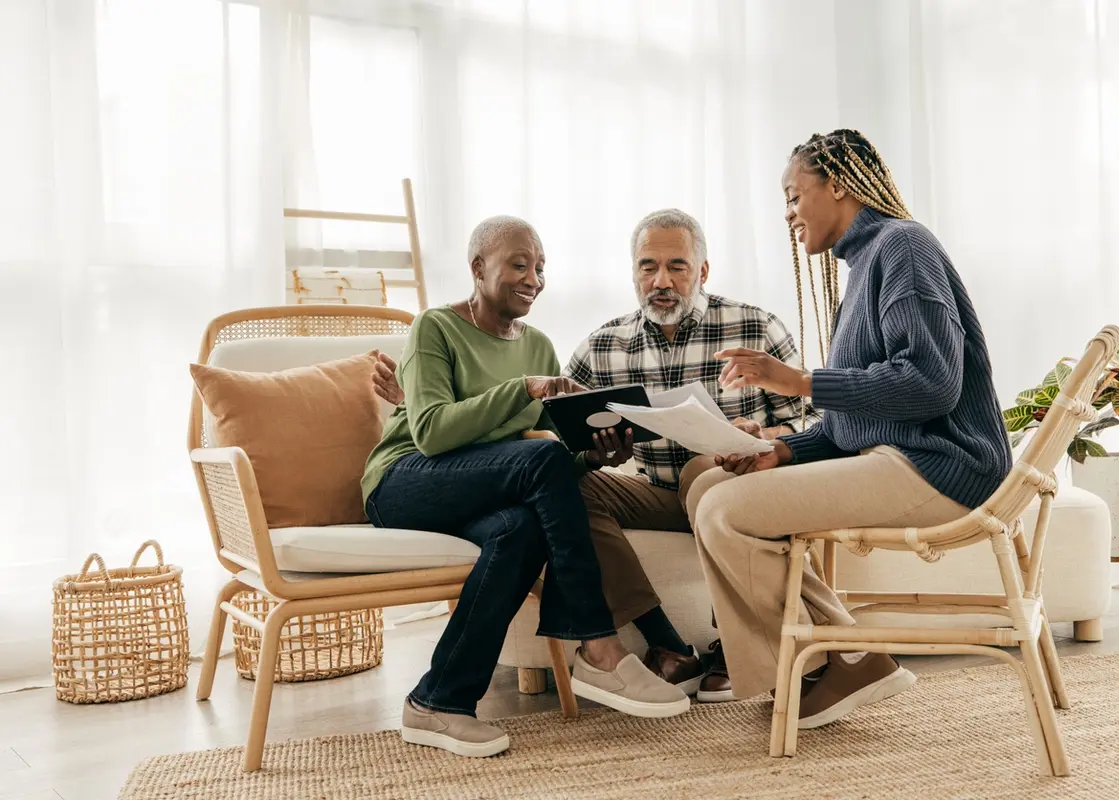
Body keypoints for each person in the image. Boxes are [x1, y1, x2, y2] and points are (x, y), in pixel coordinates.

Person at [685, 129, 1012, 729]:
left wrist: (801, 382)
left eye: (793, 195)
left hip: (945, 464)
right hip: (899, 458)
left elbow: (932, 383)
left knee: (723, 511)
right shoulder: (863, 266)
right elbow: (847, 426)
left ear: (837, 184)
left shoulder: (903, 247)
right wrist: (782, 450)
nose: (787, 215)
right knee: (706, 487)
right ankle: (846, 657)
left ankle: (819, 663)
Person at [362, 215, 689, 759]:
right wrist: (520, 390)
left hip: (480, 489)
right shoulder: (435, 328)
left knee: (521, 528)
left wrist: (593, 454)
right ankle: (598, 646)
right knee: (536, 463)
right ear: (477, 268)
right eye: (519, 264)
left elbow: (550, 466)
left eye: (540, 267)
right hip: (404, 479)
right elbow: (433, 432)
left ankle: (438, 700)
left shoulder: (537, 344)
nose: (533, 277)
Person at [565, 208, 810, 701]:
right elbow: (566, 435)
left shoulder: (755, 327)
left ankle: (731, 646)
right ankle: (669, 644)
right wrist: (596, 457)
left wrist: (760, 433)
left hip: (738, 491)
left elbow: (814, 422)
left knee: (704, 467)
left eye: (676, 266)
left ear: (702, 271)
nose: (661, 280)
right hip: (656, 495)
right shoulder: (601, 347)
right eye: (647, 266)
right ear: (633, 271)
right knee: (560, 485)